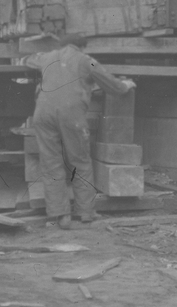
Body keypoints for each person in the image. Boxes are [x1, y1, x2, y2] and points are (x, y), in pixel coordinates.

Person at [21, 33, 136, 230]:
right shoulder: (86, 61)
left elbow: (28, 60)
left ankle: (60, 215)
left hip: (43, 115)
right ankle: (85, 213)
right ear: (81, 46)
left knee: (51, 164)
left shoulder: (46, 57)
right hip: (71, 116)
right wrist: (126, 85)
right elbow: (111, 84)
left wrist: (27, 58)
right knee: (80, 162)